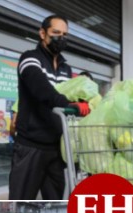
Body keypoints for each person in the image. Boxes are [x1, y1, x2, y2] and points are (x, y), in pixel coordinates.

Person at [8, 15, 90, 200]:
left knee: (54, 202)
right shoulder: (29, 58)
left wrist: (84, 102)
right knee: (20, 200)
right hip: (31, 145)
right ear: (42, 33)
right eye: (55, 33)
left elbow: (69, 94)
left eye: (64, 35)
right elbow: (39, 87)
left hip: (57, 147)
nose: (60, 38)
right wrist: (66, 104)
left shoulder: (66, 69)